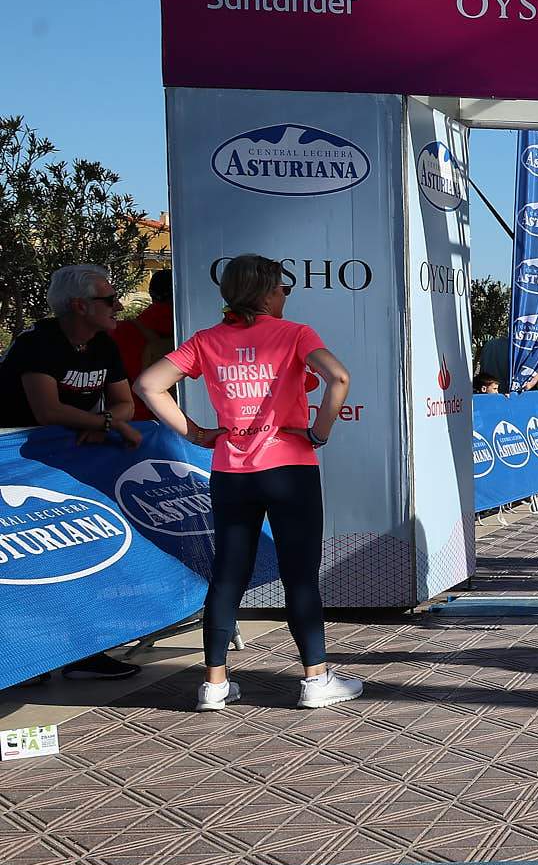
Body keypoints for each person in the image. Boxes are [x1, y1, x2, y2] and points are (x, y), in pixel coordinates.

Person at [135, 254, 363, 712]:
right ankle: (315, 679)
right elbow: (338, 377)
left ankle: (214, 685)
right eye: (283, 288)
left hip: (231, 473)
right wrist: (319, 433)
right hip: (290, 469)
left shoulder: (207, 340)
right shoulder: (295, 334)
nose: (286, 296)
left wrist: (195, 433)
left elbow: (147, 385)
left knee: (227, 574)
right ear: (266, 293)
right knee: (300, 575)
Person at [0, 264, 146, 680]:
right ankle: (25, 659)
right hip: (14, 467)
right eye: (109, 299)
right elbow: (47, 410)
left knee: (81, 554)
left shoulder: (104, 343)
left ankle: (85, 649)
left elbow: (124, 404)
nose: (119, 306)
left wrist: (105, 423)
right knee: (25, 565)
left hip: (62, 465)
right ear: (80, 305)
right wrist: (105, 423)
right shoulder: (38, 342)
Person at [112, 268, 175, 420]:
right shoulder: (199, 329)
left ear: (151, 294)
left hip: (136, 419)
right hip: (182, 417)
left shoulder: (121, 331)